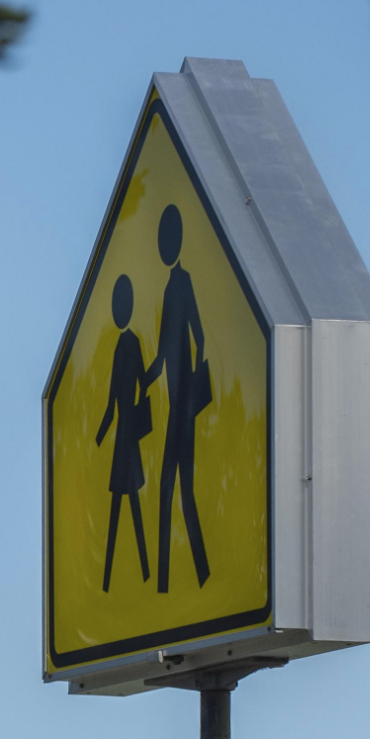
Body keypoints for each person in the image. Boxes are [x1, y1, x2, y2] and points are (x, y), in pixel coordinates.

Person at [143, 204, 212, 593]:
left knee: (172, 489)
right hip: (178, 407)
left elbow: (193, 336)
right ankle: (195, 574)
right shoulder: (173, 286)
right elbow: (169, 349)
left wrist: (189, 387)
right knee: (178, 490)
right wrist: (148, 379)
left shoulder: (180, 284)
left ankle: (168, 583)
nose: (162, 246)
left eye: (165, 239)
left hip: (181, 410)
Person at [94, 273, 152, 591]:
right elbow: (113, 400)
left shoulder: (128, 344)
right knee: (124, 505)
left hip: (126, 437)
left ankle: (136, 573)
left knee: (130, 505)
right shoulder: (124, 344)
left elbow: (131, 389)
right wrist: (98, 437)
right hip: (124, 436)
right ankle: (117, 577)